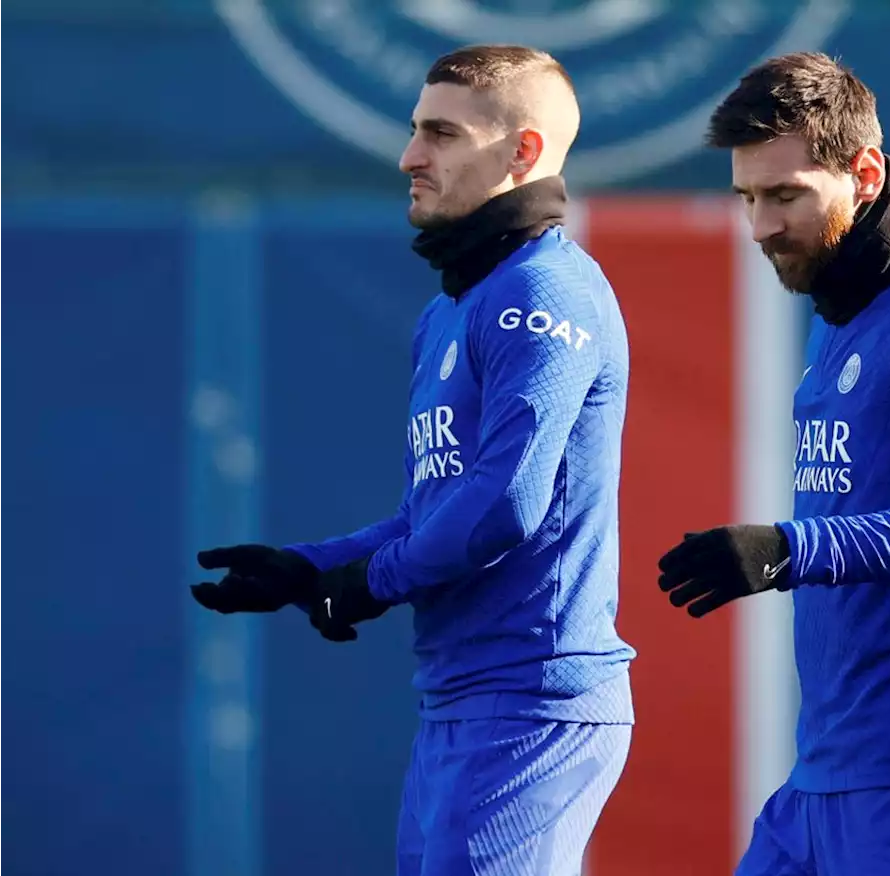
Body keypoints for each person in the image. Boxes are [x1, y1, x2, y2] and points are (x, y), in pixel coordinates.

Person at [191, 44, 636, 876]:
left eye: (440, 134)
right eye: (413, 131)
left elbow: (505, 504)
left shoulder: (544, 294)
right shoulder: (452, 309)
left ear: (522, 154)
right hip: (457, 701)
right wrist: (309, 567)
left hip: (532, 700)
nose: (408, 157)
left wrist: (365, 583)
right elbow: (430, 514)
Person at [656, 52, 890, 875]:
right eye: (747, 198)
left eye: (785, 195)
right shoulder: (842, 300)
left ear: (864, 173)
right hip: (830, 771)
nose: (759, 226)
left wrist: (787, 550)